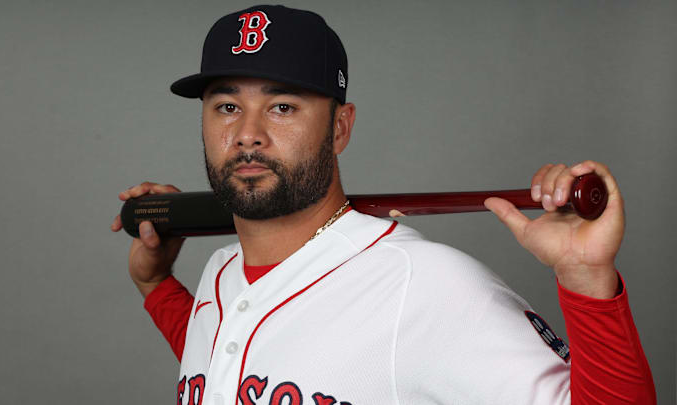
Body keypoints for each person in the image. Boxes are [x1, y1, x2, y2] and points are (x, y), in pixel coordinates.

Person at [110, 5, 655, 404]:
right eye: (226, 105)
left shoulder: (424, 285)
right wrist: (156, 286)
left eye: (281, 106)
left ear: (340, 127)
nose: (248, 134)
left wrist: (586, 279)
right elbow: (236, 369)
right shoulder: (221, 272)